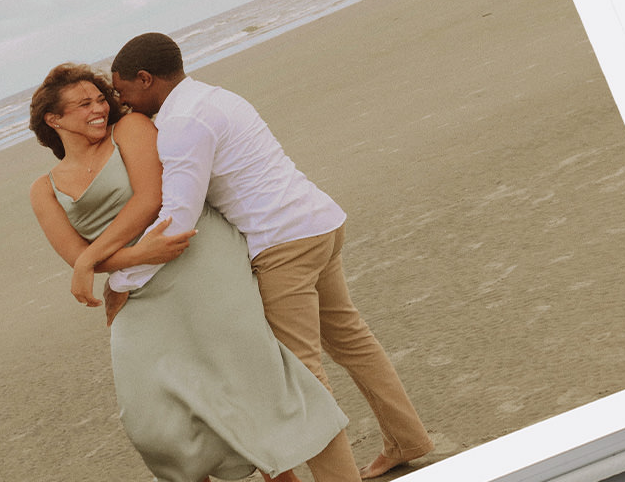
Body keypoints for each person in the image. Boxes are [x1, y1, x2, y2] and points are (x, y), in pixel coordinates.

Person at [109, 33, 433, 481]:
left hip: (283, 246)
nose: (121, 103)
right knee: (352, 341)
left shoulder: (182, 123)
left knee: (302, 377)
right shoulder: (217, 96)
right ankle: (408, 438)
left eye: (122, 91)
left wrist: (123, 275)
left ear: (145, 79)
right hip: (319, 221)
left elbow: (178, 218)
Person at [27, 64, 348, 482]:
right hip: (138, 288)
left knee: (244, 379)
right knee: (151, 416)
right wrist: (131, 255)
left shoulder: (132, 129)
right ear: (54, 119)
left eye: (100, 98)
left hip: (201, 262)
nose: (99, 108)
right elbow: (77, 255)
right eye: (83, 104)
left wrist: (94, 261)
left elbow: (149, 199)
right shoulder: (43, 189)